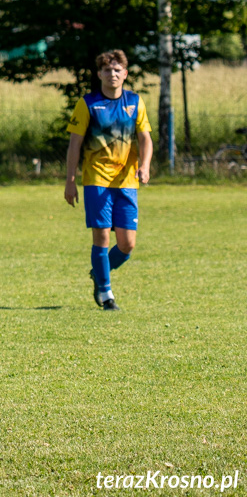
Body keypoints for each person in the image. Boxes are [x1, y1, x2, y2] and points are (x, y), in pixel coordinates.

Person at [64, 50, 152, 311]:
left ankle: (99, 273)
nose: (112, 74)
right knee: (101, 235)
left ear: (125, 74)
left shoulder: (135, 102)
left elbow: (146, 138)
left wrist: (145, 166)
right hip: (97, 179)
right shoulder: (88, 104)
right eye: (107, 70)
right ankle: (105, 294)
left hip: (126, 182)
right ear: (99, 74)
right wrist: (70, 180)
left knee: (127, 244)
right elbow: (74, 144)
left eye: (117, 70)